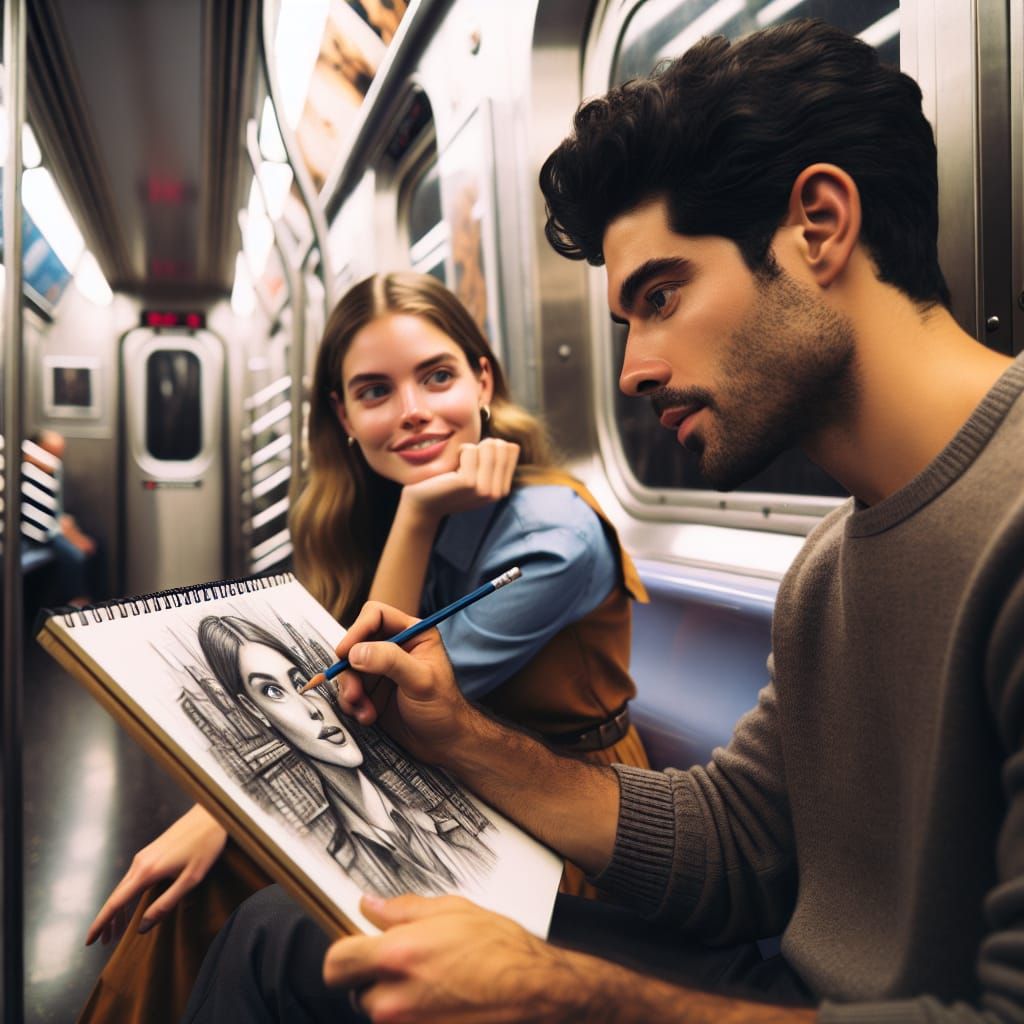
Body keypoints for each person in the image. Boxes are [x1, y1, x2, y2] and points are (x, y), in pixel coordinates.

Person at [180, 17, 1024, 1023]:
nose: (632, 370)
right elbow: (735, 843)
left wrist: (562, 994)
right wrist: (457, 737)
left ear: (818, 226)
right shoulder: (831, 563)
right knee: (288, 934)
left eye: (660, 297)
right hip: (794, 989)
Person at [78, 272, 648, 1022]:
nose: (412, 413)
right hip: (448, 776)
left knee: (214, 875)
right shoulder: (381, 510)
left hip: (564, 810)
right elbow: (344, 679)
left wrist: (223, 812)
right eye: (376, 393)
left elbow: (370, 699)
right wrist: (415, 511)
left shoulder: (551, 537)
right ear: (344, 416)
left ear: (483, 381)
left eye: (437, 377)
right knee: (193, 886)